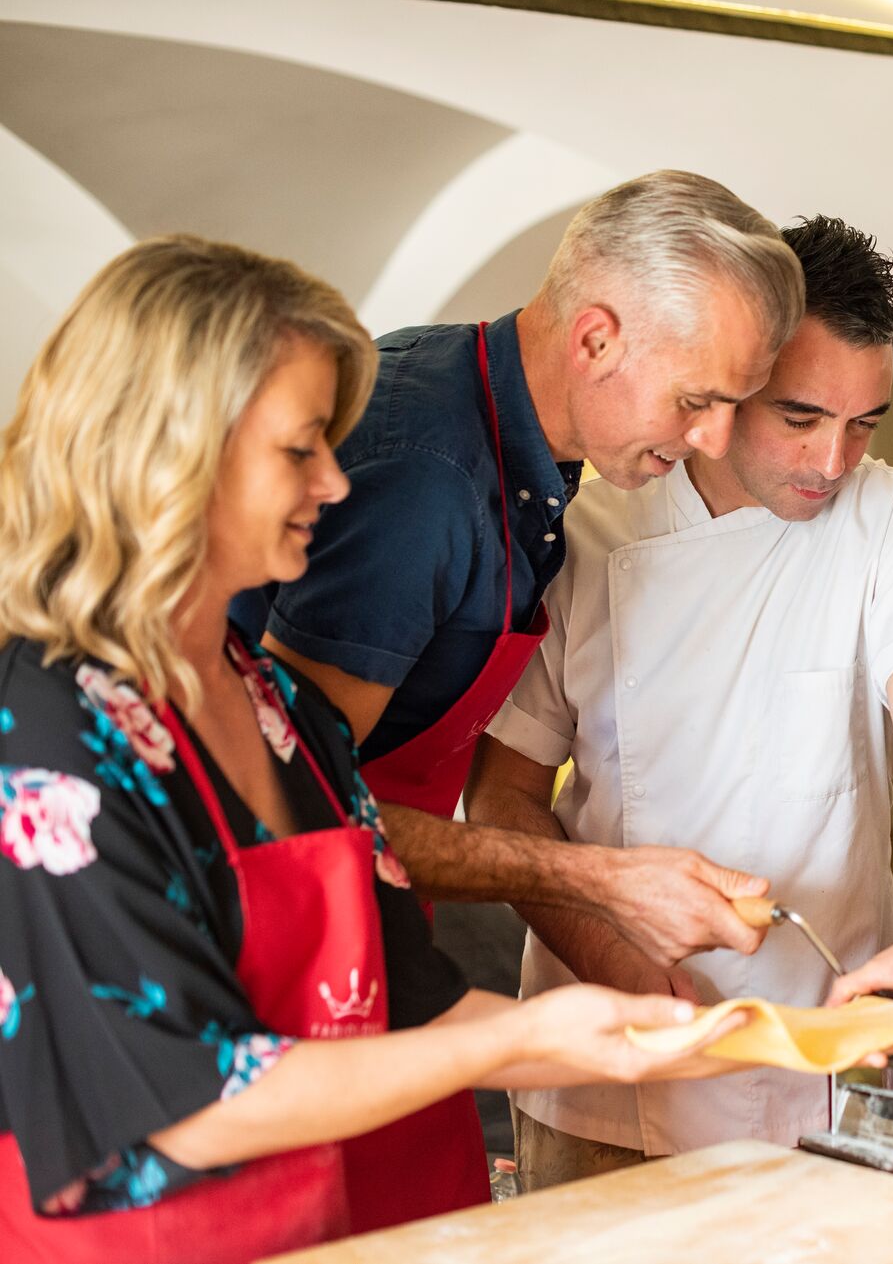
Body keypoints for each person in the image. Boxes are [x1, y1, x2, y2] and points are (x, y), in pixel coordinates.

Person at [0, 237, 753, 1263]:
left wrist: (636, 1036)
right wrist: (527, 1036)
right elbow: (180, 1099)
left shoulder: (270, 701)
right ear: (175, 445)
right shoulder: (43, 730)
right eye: (301, 449)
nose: (337, 485)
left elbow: (407, 995)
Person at [232, 171, 805, 1226]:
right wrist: (602, 882)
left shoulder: (516, 437)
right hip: (285, 960)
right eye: (698, 401)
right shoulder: (427, 483)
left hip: (379, 925)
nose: (716, 440)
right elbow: (305, 810)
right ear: (594, 340)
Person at [470, 216, 893, 1187]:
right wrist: (615, 959)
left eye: (863, 423)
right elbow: (501, 801)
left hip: (829, 1063)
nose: (833, 461)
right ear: (734, 377)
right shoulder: (591, 527)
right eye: (800, 417)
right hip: (612, 1072)